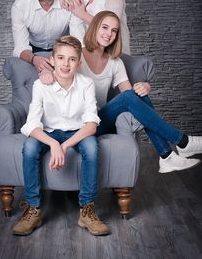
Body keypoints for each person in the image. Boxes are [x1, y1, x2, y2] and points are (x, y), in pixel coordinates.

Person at [40, 11, 202, 174]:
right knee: (129, 98)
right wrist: (45, 72)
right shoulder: (76, 55)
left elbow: (132, 97)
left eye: (114, 30)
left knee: (137, 95)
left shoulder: (114, 62)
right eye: (104, 27)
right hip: (75, 126)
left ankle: (168, 156)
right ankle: (180, 144)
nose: (108, 33)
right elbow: (55, 66)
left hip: (98, 122)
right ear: (95, 27)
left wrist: (145, 86)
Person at [13, 35, 110, 236]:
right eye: (61, 58)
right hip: (48, 132)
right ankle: (33, 209)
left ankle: (87, 210)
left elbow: (91, 125)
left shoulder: (86, 84)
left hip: (77, 131)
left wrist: (64, 146)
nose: (66, 64)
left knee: (91, 147)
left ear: (79, 63)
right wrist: (54, 144)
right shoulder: (40, 86)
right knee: (29, 147)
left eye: (72, 59)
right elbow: (31, 124)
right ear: (52, 59)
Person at [11, 0, 72, 73]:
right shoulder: (20, 6)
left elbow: (78, 39)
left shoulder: (69, 2)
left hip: (63, 46)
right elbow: (20, 46)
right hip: (33, 49)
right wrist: (34, 59)